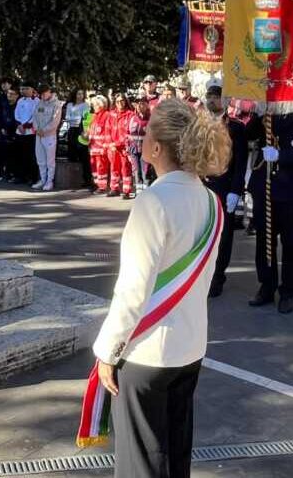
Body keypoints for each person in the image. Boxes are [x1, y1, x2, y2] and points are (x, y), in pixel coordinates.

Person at [87, 99, 231, 477]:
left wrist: (108, 350)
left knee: (142, 462)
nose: (143, 135)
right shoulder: (211, 201)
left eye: (148, 130)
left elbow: (133, 290)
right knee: (174, 453)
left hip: (147, 351)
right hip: (190, 344)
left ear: (156, 147)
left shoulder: (154, 201)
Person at [246, 107, 293, 313]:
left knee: (291, 243)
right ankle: (266, 287)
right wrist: (258, 114)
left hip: (292, 190)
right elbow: (248, 135)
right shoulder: (267, 116)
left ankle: (287, 291)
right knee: (264, 242)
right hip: (265, 189)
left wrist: (282, 155)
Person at [203, 85, 249, 298]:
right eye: (209, 96)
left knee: (223, 235)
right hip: (202, 185)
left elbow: (240, 162)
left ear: (224, 99)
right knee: (202, 233)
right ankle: (202, 273)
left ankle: (217, 276)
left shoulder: (235, 127)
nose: (211, 100)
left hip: (224, 186)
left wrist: (236, 190)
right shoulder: (199, 124)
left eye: (215, 96)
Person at [32, 85, 61, 191]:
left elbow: (55, 121)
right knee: (40, 159)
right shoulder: (40, 103)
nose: (42, 96)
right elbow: (34, 116)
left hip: (49, 136)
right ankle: (43, 179)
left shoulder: (56, 104)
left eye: (44, 93)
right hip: (39, 135)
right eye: (41, 94)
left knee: (50, 160)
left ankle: (49, 181)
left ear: (49, 92)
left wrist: (44, 130)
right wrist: (36, 128)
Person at [108, 93, 135, 198]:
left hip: (124, 147)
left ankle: (126, 190)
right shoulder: (111, 114)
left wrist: (118, 143)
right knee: (114, 168)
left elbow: (129, 133)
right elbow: (107, 130)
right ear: (115, 102)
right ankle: (114, 188)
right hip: (112, 148)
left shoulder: (130, 114)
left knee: (125, 168)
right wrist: (110, 143)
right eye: (118, 101)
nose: (120, 103)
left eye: (122, 101)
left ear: (125, 101)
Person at [14, 84, 40, 184]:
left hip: (30, 132)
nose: (24, 90)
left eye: (27, 88)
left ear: (32, 89)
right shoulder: (20, 100)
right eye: (23, 88)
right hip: (20, 131)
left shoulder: (36, 101)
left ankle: (32, 177)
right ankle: (21, 176)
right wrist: (19, 124)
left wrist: (25, 125)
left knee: (31, 155)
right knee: (20, 154)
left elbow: (35, 116)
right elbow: (16, 113)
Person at [0, 86, 20, 183]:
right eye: (8, 94)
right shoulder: (4, 105)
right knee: (4, 154)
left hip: (15, 133)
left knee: (14, 155)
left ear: (17, 96)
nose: (9, 95)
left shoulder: (19, 105)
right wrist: (1, 128)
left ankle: (15, 174)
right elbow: (1, 118)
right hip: (4, 133)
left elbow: (18, 120)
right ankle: (6, 173)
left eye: (12, 94)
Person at [127, 95, 151, 194]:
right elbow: (127, 134)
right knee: (137, 171)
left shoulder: (151, 119)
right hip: (134, 149)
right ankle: (139, 192)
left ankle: (146, 193)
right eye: (138, 104)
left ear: (147, 105)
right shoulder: (132, 118)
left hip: (145, 150)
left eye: (142, 103)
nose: (140, 106)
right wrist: (127, 149)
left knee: (145, 172)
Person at [88, 95, 112, 194]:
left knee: (101, 167)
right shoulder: (94, 116)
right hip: (93, 147)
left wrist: (105, 146)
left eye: (96, 104)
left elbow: (107, 131)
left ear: (101, 105)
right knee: (94, 167)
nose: (94, 106)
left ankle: (102, 186)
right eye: (94, 105)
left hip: (102, 147)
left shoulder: (107, 115)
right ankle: (97, 184)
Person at [65, 89, 90, 176]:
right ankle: (72, 177)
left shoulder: (85, 105)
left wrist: (75, 119)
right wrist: (77, 119)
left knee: (83, 153)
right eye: (78, 94)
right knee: (72, 152)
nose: (80, 96)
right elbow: (67, 117)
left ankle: (86, 178)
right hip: (72, 130)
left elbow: (84, 118)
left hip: (81, 130)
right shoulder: (70, 105)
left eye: (82, 94)